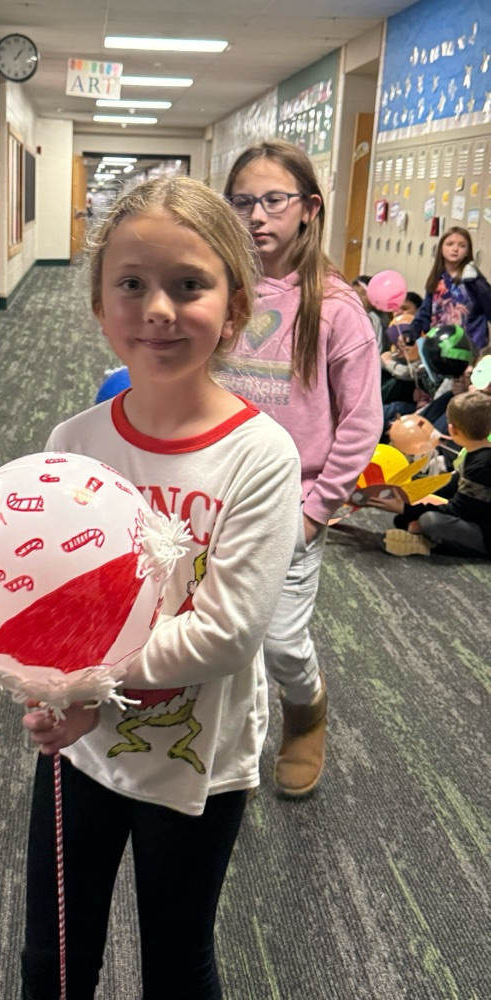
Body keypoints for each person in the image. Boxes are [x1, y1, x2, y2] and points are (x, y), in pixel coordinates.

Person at [20, 176, 302, 1000]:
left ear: (236, 307)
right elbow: (49, 595)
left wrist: (85, 676)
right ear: (99, 304)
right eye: (132, 284)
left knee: (177, 962)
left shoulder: (260, 456)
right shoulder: (74, 442)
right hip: (83, 745)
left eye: (189, 284)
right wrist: (49, 684)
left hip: (199, 757)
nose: (159, 310)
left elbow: (227, 633)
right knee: (53, 956)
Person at [222, 139, 382, 798]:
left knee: (282, 642)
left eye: (274, 200)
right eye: (242, 202)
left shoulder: (337, 307)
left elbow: (362, 424)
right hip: (216, 493)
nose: (257, 216)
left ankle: (306, 708)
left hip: (292, 505)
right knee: (216, 630)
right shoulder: (219, 286)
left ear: (310, 208)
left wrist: (315, 514)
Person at [376, 392, 491, 559]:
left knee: (430, 521)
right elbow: (450, 484)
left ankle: (433, 546)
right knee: (407, 519)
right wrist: (412, 496)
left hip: (485, 533)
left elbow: (459, 510)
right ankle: (424, 537)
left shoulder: (483, 464)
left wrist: (407, 509)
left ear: (452, 430)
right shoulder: (477, 454)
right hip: (476, 518)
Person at [408, 226, 491, 351]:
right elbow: (425, 312)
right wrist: (411, 333)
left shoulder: (474, 281)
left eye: (462, 246)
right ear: (441, 248)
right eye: (450, 244)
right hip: (439, 347)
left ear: (467, 251)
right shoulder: (437, 279)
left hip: (468, 349)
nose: (455, 249)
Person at [352, 274, 386, 344]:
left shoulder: (373, 319)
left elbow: (376, 346)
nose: (357, 297)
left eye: (362, 293)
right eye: (354, 293)